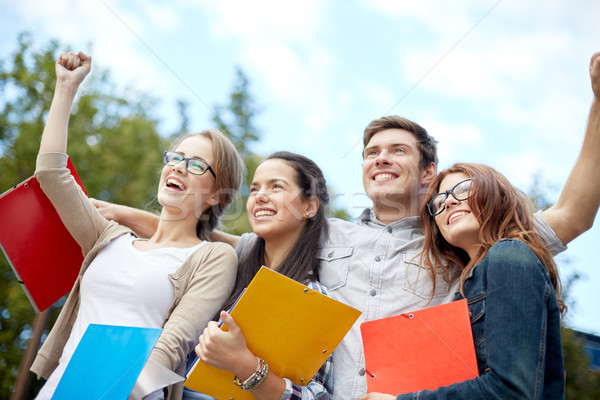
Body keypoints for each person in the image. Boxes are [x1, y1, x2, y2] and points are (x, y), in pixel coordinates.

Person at [96, 52, 600, 399]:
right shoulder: (325, 235)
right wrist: (119, 214)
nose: (380, 159)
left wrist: (598, 104)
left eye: (397, 150)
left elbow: (572, 215)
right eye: (371, 153)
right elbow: (219, 239)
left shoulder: (456, 241)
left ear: (428, 173)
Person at [31, 51, 244, 400]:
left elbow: (173, 345)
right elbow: (52, 175)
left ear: (217, 195)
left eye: (195, 164)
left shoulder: (213, 257)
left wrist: (123, 392)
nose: (178, 166)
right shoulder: (107, 237)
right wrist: (66, 88)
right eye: (175, 158)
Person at [359, 163, 565, 399]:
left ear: (496, 194)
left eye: (463, 189)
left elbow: (511, 391)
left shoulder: (508, 255)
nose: (448, 202)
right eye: (438, 203)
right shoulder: (463, 290)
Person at [186, 151, 333, 399]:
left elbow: (319, 396)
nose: (260, 196)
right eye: (254, 189)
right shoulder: (226, 272)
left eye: (276, 186)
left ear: (310, 206)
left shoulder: (313, 296)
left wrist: (245, 365)